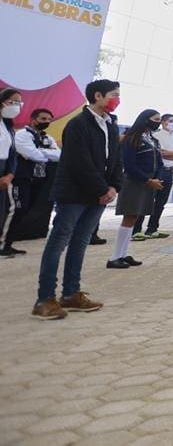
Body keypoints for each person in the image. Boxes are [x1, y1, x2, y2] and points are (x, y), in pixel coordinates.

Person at [32, 79, 122, 319]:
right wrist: (102, 188)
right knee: (58, 242)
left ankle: (71, 293)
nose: (117, 99)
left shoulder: (110, 125)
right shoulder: (78, 124)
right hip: (74, 193)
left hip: (98, 195)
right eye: (113, 94)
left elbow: (116, 159)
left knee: (80, 242)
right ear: (98, 95)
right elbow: (78, 162)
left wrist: (114, 186)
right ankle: (44, 299)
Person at [109, 109, 165, 269]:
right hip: (135, 182)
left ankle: (123, 253)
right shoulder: (132, 138)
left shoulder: (153, 140)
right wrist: (148, 180)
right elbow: (129, 165)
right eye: (155, 119)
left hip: (149, 182)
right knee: (129, 216)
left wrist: (157, 178)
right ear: (145, 119)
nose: (158, 122)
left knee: (135, 217)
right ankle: (115, 256)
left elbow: (159, 162)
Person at [9, 106, 62, 255]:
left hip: (39, 180)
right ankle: (6, 241)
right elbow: (32, 154)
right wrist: (46, 153)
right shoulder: (22, 135)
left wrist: (41, 152)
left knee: (28, 209)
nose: (47, 121)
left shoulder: (47, 137)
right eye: (43, 119)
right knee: (17, 209)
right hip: (21, 178)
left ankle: (10, 241)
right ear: (33, 120)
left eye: (49, 119)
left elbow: (59, 155)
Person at [131, 112, 173, 240]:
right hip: (158, 171)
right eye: (170, 121)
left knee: (161, 202)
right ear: (164, 122)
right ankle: (137, 229)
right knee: (147, 200)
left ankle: (152, 228)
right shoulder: (156, 136)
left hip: (169, 171)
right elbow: (160, 153)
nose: (172, 123)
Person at [0, 89, 25, 257]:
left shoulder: (8, 126)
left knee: (6, 209)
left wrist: (10, 175)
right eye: (12, 101)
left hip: (4, 173)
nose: (16, 106)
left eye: (19, 103)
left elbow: (12, 154)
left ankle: (2, 245)